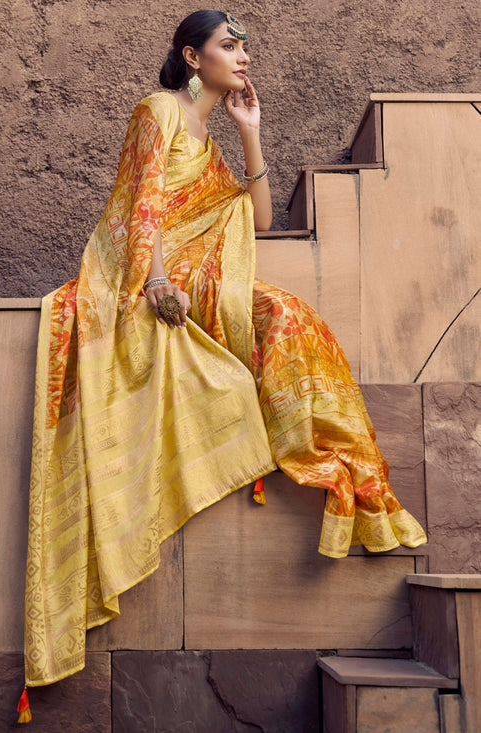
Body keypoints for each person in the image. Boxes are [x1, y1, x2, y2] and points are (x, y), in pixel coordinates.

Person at [22, 10, 427, 698]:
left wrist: (249, 131)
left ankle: (347, 478)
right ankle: (328, 468)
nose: (242, 57)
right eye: (227, 46)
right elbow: (144, 202)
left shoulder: (211, 136)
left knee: (295, 320)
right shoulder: (158, 110)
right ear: (192, 55)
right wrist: (154, 281)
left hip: (209, 277)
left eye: (244, 48)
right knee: (284, 315)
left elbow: (258, 220)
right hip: (159, 278)